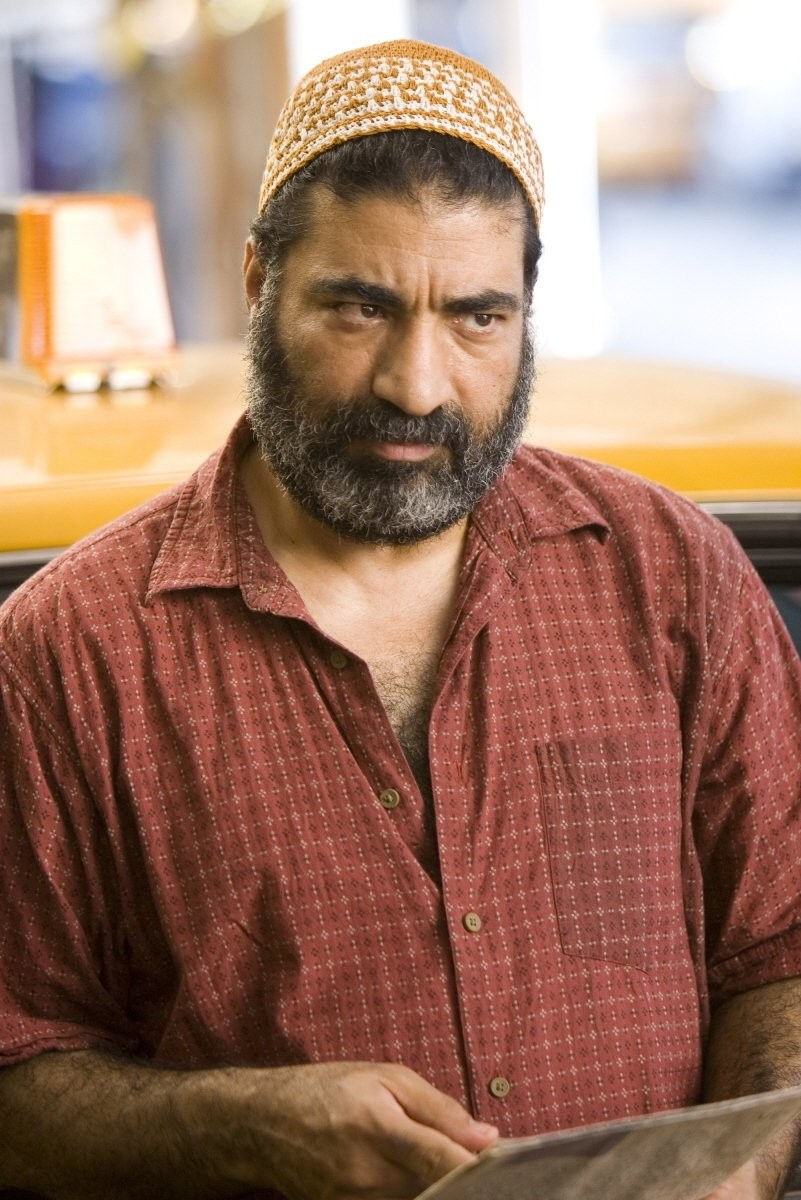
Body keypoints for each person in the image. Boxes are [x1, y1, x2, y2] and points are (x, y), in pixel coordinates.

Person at [0, 38, 800, 1200]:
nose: (416, 384)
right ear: (258, 282)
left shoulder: (676, 577)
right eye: (359, 308)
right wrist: (235, 1130)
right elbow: (17, 1080)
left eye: (477, 319)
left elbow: (779, 951)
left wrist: (740, 1169)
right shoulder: (68, 654)